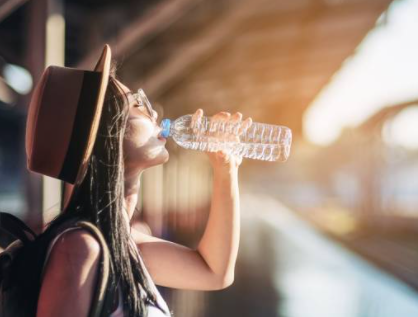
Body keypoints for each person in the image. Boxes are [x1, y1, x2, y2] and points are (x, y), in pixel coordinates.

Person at [26, 44, 252, 317]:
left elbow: (214, 272)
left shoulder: (125, 244)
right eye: (137, 104)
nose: (154, 112)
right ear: (108, 134)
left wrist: (226, 169)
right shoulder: (79, 249)